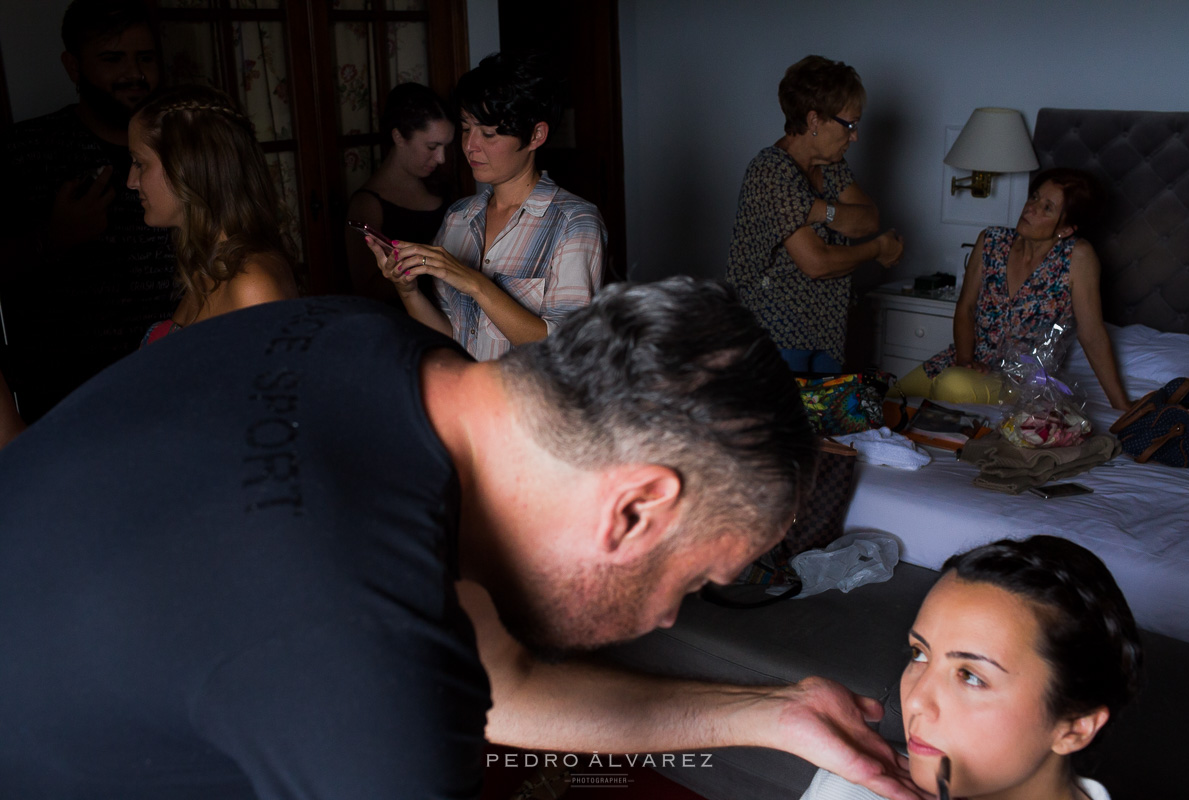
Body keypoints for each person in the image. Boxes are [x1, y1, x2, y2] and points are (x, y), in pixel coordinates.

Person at [0, 277, 922, 800]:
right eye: (697, 579)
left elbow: (498, 687)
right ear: (635, 509)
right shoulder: (359, 651)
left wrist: (768, 714)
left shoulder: (358, 336)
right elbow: (403, 673)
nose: (672, 613)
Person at [800, 535, 1142, 800]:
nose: (915, 702)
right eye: (919, 653)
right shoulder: (851, 785)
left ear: (1075, 727)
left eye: (971, 676)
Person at [363, 50, 607, 361]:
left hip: (527, 407)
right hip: (466, 399)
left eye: (488, 134)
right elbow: (450, 339)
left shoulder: (574, 222)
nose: (469, 146)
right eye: (466, 128)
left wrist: (477, 284)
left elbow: (571, 351)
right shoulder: (458, 218)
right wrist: (407, 290)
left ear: (536, 135)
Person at [0, 0, 176, 423]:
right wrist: (51, 239)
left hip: (175, 385)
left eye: (146, 58)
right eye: (113, 59)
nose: (135, 74)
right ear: (73, 66)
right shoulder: (27, 151)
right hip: (67, 406)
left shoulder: (181, 147)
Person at [894, 168, 1130, 409]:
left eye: (1047, 207)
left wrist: (1121, 406)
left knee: (951, 384)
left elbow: (1092, 335)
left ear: (1066, 229)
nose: (1031, 208)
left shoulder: (1077, 258)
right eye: (1034, 197)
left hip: (1020, 381)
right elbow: (966, 307)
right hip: (965, 361)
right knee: (886, 399)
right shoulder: (991, 241)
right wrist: (965, 361)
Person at [727, 55, 904, 374]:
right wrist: (878, 249)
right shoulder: (769, 172)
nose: (855, 136)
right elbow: (817, 263)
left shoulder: (831, 166)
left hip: (828, 332)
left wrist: (819, 210)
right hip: (775, 336)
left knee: (829, 424)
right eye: (849, 124)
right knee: (783, 423)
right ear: (813, 120)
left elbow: (869, 220)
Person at [130, 84, 299, 345]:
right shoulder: (208, 264)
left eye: (139, 163)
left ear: (186, 165)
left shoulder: (252, 285)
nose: (131, 181)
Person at [343, 82, 457, 306]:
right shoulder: (367, 204)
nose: (441, 158)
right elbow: (367, 291)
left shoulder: (441, 186)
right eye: (432, 147)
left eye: (446, 147)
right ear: (399, 137)